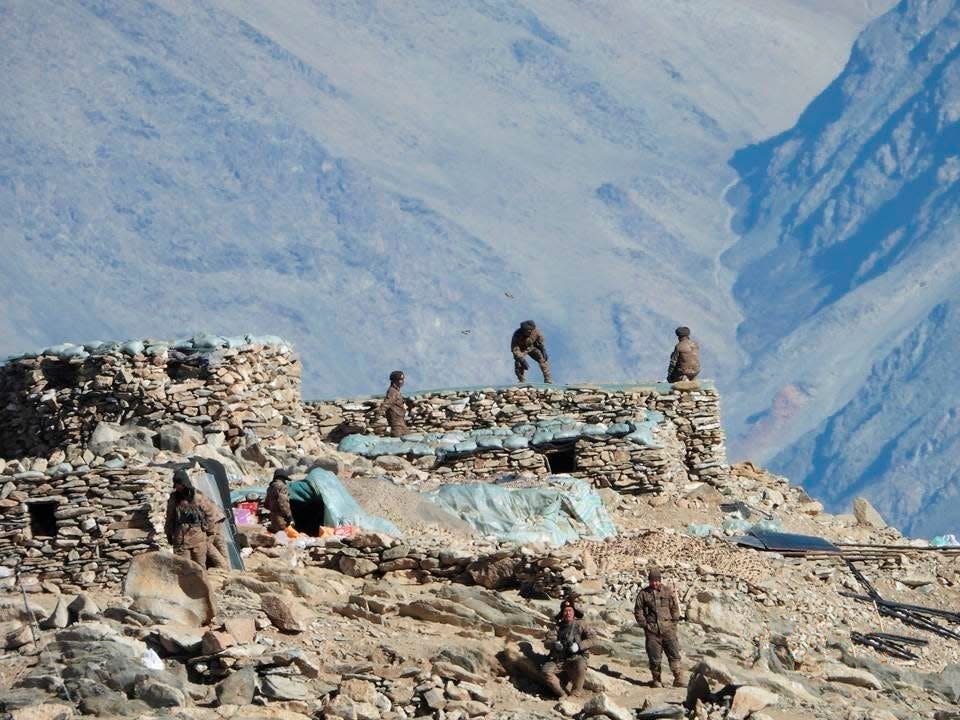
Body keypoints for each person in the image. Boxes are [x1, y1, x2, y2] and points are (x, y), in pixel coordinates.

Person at [635, 568, 685, 688]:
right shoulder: (643, 594)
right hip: (652, 631)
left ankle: (678, 678)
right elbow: (638, 611)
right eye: (652, 581)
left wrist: (673, 624)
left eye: (657, 580)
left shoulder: (667, 591)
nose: (655, 583)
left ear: (660, 580)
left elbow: (674, 608)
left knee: (674, 654)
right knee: (654, 657)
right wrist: (645, 625)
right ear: (649, 581)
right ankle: (656, 680)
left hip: (668, 630)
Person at [541, 596, 594, 697]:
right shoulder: (557, 627)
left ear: (574, 612)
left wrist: (579, 646)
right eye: (565, 611)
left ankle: (576, 693)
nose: (568, 613)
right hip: (559, 660)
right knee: (546, 671)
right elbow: (547, 642)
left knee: (581, 665)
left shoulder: (581, 624)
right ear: (562, 613)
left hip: (576, 658)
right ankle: (562, 694)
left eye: (570, 610)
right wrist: (554, 644)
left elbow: (594, 639)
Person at [164, 471, 219, 568]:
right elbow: (170, 516)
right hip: (180, 540)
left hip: (197, 538)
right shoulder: (174, 498)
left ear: (184, 483)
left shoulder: (198, 497)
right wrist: (168, 533)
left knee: (199, 568)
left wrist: (209, 532)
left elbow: (211, 514)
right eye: (176, 485)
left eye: (178, 484)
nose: (177, 487)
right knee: (182, 567)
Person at [379, 370, 409, 437]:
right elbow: (387, 403)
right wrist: (378, 413)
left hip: (401, 422)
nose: (402, 382)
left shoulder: (396, 391)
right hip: (396, 423)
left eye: (403, 379)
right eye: (400, 379)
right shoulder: (392, 392)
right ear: (394, 380)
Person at [264, 468, 293, 533]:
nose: (285, 481)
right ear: (282, 478)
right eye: (285, 479)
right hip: (282, 520)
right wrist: (289, 516)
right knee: (285, 537)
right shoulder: (282, 486)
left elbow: (266, 504)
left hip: (273, 520)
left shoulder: (270, 488)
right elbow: (283, 502)